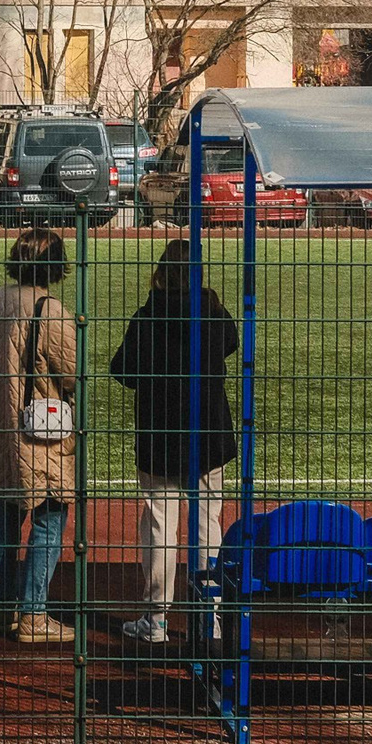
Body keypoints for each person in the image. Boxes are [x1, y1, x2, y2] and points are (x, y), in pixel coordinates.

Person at [107, 240, 239, 644]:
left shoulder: (149, 316)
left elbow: (122, 370)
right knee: (206, 523)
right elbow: (231, 345)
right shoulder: (214, 313)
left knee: (160, 525)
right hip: (208, 432)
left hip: (161, 433)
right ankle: (208, 617)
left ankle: (157, 619)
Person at [0, 225, 80, 643]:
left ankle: (2, 609)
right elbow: (72, 371)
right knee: (50, 518)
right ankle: (35, 615)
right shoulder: (50, 309)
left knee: (6, 520)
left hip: (1, 425)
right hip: (42, 433)